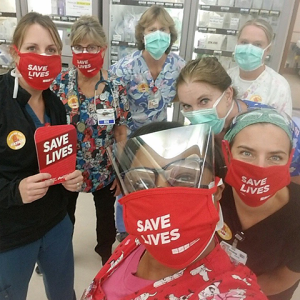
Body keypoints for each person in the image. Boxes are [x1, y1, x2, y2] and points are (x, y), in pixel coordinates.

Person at [80, 122, 267, 300]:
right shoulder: (137, 241)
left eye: (184, 177)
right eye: (141, 182)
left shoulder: (230, 291)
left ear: (216, 190)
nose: (160, 197)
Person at [0, 12, 83, 299]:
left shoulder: (55, 103)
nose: (42, 56)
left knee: (63, 293)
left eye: (51, 50)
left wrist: (72, 178)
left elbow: (61, 157)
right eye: (32, 48)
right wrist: (14, 191)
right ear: (15, 52)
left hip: (56, 223)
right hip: (12, 233)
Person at [51, 15, 131, 265]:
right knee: (64, 215)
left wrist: (121, 173)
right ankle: (58, 253)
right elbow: (50, 129)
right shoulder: (59, 85)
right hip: (68, 169)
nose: (85, 53)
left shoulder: (115, 88)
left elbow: (120, 133)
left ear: (103, 49)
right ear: (71, 49)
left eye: (92, 47)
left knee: (105, 215)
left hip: (104, 168)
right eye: (79, 47)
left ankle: (105, 251)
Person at [109, 5, 186, 239]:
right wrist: (121, 151)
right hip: (128, 136)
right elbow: (114, 107)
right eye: (152, 29)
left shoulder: (179, 66)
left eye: (163, 29)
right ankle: (124, 230)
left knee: (156, 182)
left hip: (159, 136)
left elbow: (182, 96)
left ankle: (150, 226)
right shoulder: (124, 67)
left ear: (171, 34)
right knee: (127, 185)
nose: (158, 33)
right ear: (142, 34)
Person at [218, 108, 300, 300]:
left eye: (275, 157)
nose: (260, 167)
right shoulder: (214, 190)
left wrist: (226, 291)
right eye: (247, 153)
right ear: (227, 153)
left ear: (289, 159)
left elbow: (280, 279)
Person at [175, 57, 300, 182]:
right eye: (187, 106)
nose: (196, 114)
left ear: (228, 95)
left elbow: (294, 180)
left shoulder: (269, 126)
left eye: (204, 101)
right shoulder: (195, 135)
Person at [227, 18, 292, 116]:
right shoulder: (225, 78)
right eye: (244, 42)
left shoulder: (278, 87)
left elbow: (284, 127)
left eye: (257, 44)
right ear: (237, 43)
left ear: (268, 49)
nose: (249, 49)